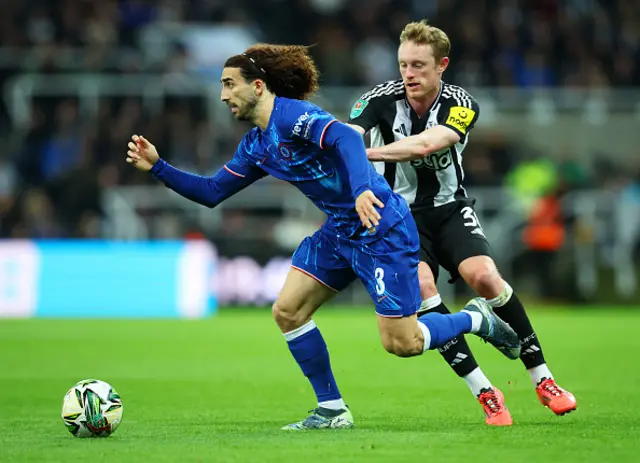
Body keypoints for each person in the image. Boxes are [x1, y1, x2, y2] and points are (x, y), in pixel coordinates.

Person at [126, 43, 520, 430]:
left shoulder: (292, 115)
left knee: (403, 343)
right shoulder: (256, 146)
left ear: (258, 86)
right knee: (287, 311)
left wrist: (364, 187)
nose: (223, 94)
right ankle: (332, 409)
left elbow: (347, 138)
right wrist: (158, 166)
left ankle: (476, 318)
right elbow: (212, 193)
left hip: (380, 226)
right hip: (339, 231)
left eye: (230, 84)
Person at [347, 21, 576, 426]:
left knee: (485, 275)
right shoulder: (377, 100)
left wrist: (369, 154)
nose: (409, 74)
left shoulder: (460, 102)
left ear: (442, 66)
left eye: (418, 65)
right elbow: (350, 137)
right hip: (400, 218)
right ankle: (485, 392)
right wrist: (351, 155)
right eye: (403, 65)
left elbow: (427, 144)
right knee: (422, 288)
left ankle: (544, 379)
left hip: (450, 208)